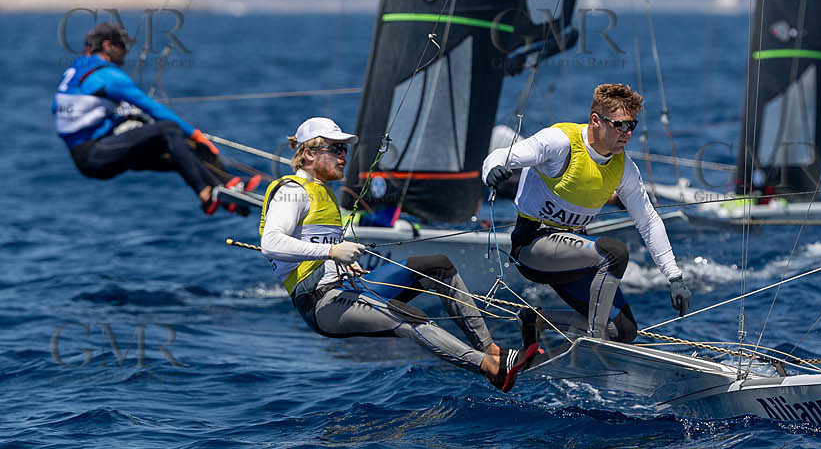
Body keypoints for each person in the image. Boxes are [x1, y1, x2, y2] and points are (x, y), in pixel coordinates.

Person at [261, 117, 541, 391]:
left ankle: (491, 350)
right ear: (309, 154)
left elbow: (313, 245)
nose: (343, 156)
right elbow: (271, 242)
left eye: (344, 149)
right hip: (321, 303)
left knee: (438, 266)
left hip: (346, 286)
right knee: (408, 317)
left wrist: (341, 264)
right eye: (335, 149)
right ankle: (491, 369)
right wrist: (332, 251)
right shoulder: (292, 191)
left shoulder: (323, 192)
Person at [482, 83, 690, 358]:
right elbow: (502, 155)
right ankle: (594, 342)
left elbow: (648, 221)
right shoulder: (560, 142)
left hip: (574, 254)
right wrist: (492, 170)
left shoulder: (624, 169)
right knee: (614, 253)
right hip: (533, 246)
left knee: (624, 330)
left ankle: (537, 320)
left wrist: (674, 276)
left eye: (632, 125)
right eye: (620, 125)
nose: (627, 133)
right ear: (596, 120)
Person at [53, 20, 254, 214]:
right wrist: (194, 133)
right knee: (170, 129)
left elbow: (58, 108)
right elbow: (153, 109)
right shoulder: (108, 76)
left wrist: (115, 117)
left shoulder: (75, 70)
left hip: (90, 155)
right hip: (94, 155)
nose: (125, 51)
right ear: (107, 46)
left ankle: (229, 195)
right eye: (122, 46)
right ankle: (205, 193)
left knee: (178, 151)